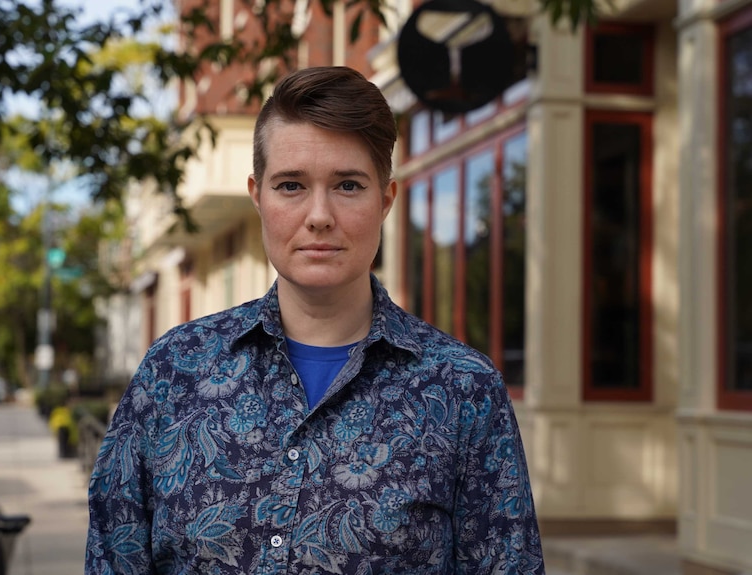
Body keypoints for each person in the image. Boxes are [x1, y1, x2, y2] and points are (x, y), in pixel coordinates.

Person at [85, 66, 545, 575]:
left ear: (385, 200)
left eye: (348, 185)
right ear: (257, 195)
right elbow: (112, 555)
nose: (319, 214)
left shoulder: (463, 391)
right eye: (291, 185)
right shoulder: (173, 371)